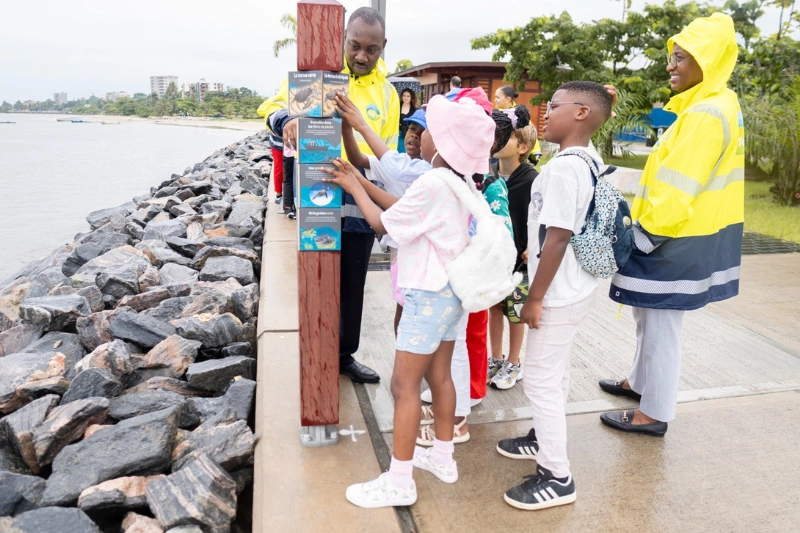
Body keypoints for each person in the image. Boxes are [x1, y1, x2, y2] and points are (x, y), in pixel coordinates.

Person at [324, 95, 495, 508]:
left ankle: (399, 480)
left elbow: (384, 223)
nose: (422, 134)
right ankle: (442, 457)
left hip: (427, 296)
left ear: (445, 143)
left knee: (404, 386)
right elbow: (404, 209)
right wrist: (360, 180)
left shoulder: (434, 183)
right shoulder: (461, 183)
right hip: (453, 295)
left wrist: (351, 185)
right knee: (441, 378)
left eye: (431, 129)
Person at [600, 13, 744, 436]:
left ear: (708, 60)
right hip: (685, 233)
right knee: (649, 314)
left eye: (681, 57)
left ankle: (654, 412)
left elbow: (679, 188)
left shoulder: (703, 114)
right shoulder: (717, 105)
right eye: (672, 57)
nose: (671, 66)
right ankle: (639, 384)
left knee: (662, 323)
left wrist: (645, 236)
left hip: (674, 236)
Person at [263, 6, 400, 384]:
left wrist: (372, 191)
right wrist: (288, 119)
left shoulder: (387, 94)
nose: (361, 56)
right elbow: (273, 108)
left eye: (371, 50)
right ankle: (315, 350)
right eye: (354, 45)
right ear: (343, 39)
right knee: (318, 276)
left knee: (353, 281)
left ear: (382, 47)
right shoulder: (321, 77)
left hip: (359, 195)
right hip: (317, 192)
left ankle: (343, 356)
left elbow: (386, 153)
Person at [496, 81, 613, 510]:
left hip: (557, 291)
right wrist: (535, 245)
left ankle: (557, 476)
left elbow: (561, 235)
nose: (545, 112)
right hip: (573, 284)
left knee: (542, 379)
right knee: (554, 372)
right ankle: (541, 438)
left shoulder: (565, 167)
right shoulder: (586, 158)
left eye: (556, 106)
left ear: (581, 113)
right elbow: (557, 229)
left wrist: (535, 297)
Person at [485, 106, 539, 391]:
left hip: (520, 260)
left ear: (523, 146)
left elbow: (540, 216)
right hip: (495, 256)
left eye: (503, 137)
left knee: (515, 310)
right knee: (494, 308)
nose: (495, 140)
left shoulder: (531, 179)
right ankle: (495, 358)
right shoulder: (490, 174)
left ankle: (514, 362)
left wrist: (533, 244)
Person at [397, 88, 417, 154]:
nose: (406, 98)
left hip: (407, 134)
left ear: (411, 97)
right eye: (404, 95)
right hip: (397, 134)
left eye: (408, 96)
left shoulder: (414, 110)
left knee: (404, 153)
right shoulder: (396, 106)